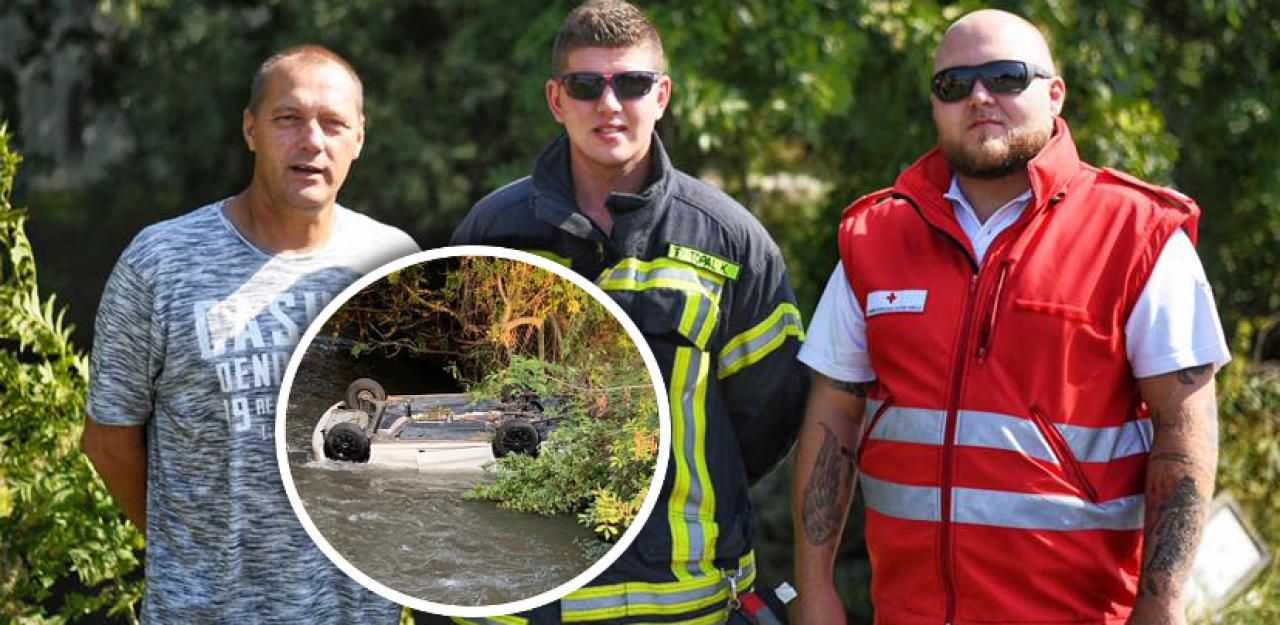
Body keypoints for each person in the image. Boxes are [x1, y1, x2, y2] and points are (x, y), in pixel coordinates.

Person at [791, 9, 1228, 625]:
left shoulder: (1137, 233)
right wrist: (815, 592)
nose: (978, 97)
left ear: (1055, 94)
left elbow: (1186, 431)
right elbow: (833, 414)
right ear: (935, 104)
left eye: (1005, 76)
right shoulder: (875, 235)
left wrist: (1162, 605)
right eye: (954, 84)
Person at [451, 1, 807, 622]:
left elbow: (765, 421)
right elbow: (454, 403)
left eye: (632, 84)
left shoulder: (729, 240)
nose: (609, 105)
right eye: (587, 86)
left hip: (683, 605)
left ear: (662, 94)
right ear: (556, 99)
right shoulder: (491, 234)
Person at [80, 45, 419, 623]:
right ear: (250, 129)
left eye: (334, 123)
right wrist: (192, 551)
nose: (312, 141)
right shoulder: (162, 262)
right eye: (289, 119)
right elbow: (109, 441)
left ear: (359, 139)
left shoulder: (392, 262)